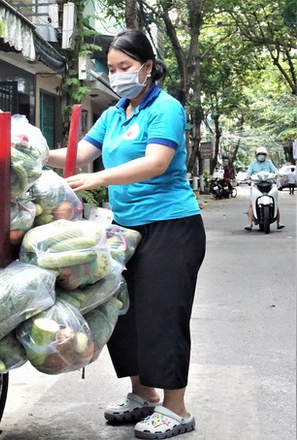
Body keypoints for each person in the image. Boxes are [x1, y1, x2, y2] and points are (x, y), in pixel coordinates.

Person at [47, 29, 205, 439]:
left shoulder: (165, 109)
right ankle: (143, 395)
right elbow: (78, 154)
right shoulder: (114, 113)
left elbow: (155, 162)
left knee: (162, 314)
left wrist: (96, 176)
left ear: (147, 68)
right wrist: (23, 147)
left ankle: (177, 408)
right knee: (123, 310)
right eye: (112, 69)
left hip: (171, 227)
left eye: (124, 68)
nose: (116, 75)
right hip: (125, 229)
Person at [244, 146, 284, 230]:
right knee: (251, 204)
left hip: (269, 184)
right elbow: (248, 174)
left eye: (263, 154)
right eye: (259, 154)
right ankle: (249, 223)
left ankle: (278, 222)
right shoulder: (253, 164)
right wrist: (248, 177)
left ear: (266, 155)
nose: (261, 156)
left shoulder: (269, 163)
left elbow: (275, 171)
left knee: (275, 202)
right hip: (256, 185)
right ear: (256, 155)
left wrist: (277, 174)